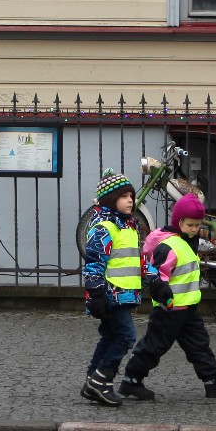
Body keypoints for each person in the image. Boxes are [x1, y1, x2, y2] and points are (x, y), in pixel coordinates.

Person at [118, 193, 216, 401]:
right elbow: (156, 276)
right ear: (179, 221)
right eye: (190, 225)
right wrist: (165, 297)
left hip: (187, 308)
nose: (194, 229)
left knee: (199, 344)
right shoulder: (170, 246)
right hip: (169, 309)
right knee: (154, 346)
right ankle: (131, 380)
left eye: (197, 225)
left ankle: (213, 380)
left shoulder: (186, 241)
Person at [81, 171, 144, 407]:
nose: (130, 200)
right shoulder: (105, 227)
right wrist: (96, 294)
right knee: (127, 336)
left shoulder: (130, 226)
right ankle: (101, 380)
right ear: (109, 199)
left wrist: (154, 281)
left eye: (132, 196)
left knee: (110, 336)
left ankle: (93, 380)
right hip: (110, 295)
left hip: (125, 295)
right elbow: (94, 264)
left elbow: (137, 260)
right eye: (124, 196)